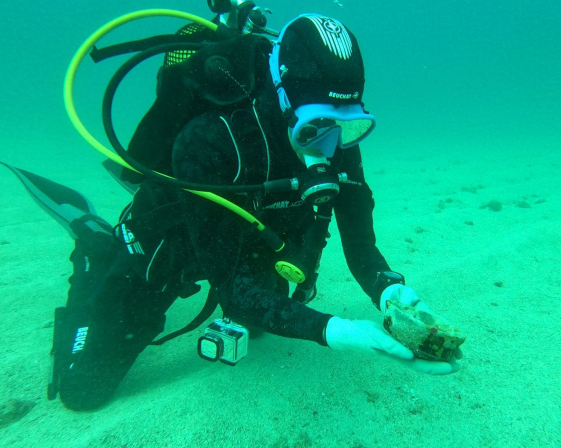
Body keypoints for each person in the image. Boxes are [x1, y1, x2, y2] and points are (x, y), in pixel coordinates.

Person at [32, 11, 462, 412]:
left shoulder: (335, 137)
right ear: (283, 98)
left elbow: (361, 246)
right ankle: (94, 240)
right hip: (172, 243)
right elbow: (233, 292)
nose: (329, 146)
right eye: (315, 125)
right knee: (83, 392)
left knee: (260, 327)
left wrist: (389, 291)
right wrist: (336, 331)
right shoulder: (210, 139)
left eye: (348, 126)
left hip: (252, 241)